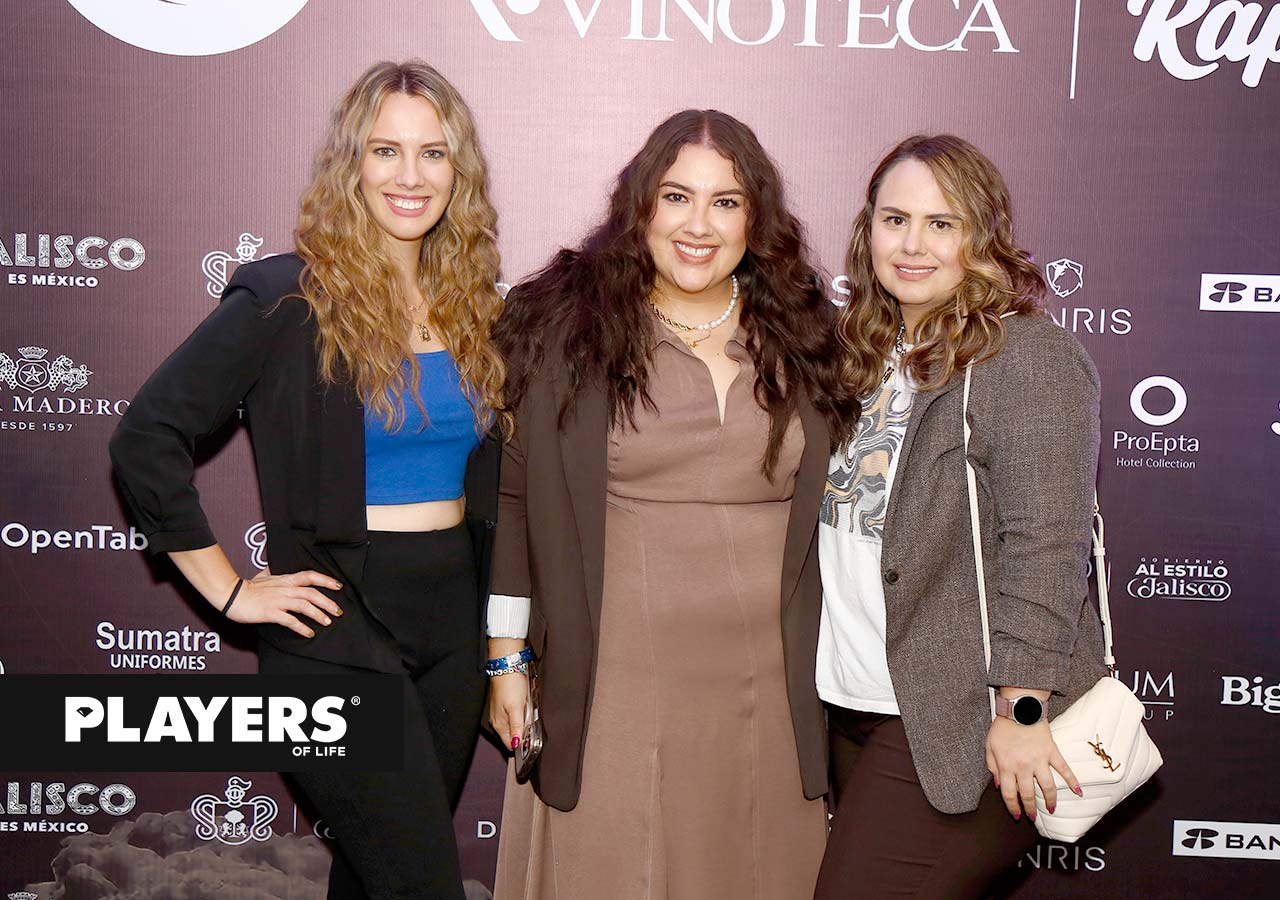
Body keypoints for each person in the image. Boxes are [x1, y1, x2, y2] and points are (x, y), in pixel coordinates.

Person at [108, 60, 508, 900]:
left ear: (459, 171)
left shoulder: (477, 308)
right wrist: (228, 592)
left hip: (452, 629)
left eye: (432, 153)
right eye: (385, 150)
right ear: (350, 164)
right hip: (334, 632)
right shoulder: (287, 298)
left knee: (373, 881)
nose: (409, 176)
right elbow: (147, 436)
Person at [484, 109, 859, 900]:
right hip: (613, 677)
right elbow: (515, 501)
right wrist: (507, 657)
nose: (698, 225)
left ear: (756, 218)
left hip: (768, 682)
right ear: (640, 206)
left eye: (726, 202)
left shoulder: (809, 334)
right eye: (676, 197)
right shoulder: (569, 330)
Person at [812, 134, 1106, 900]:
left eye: (941, 224)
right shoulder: (857, 353)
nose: (912, 245)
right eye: (895, 220)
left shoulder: (1026, 357)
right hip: (852, 702)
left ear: (983, 235)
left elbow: (1048, 545)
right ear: (867, 230)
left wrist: (1024, 708)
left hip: (966, 718)